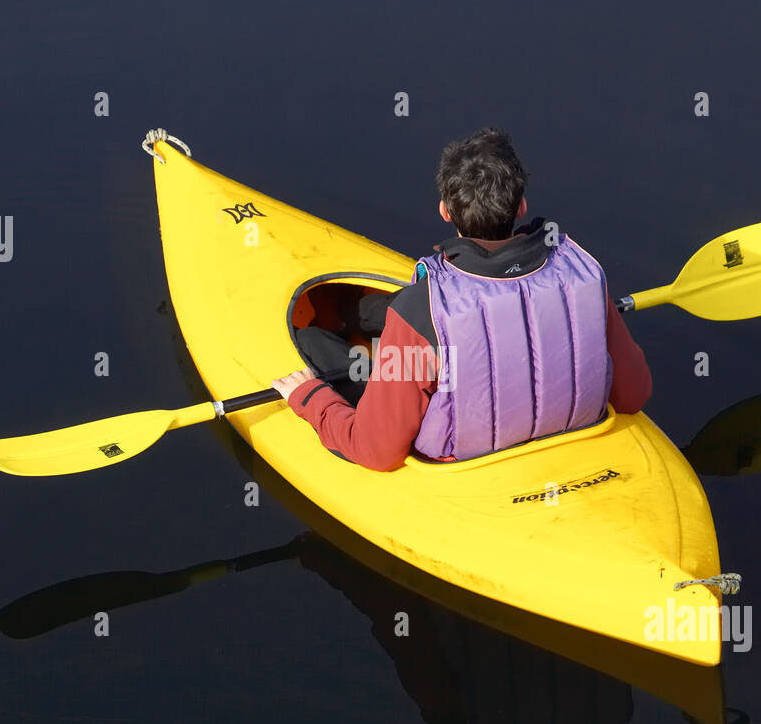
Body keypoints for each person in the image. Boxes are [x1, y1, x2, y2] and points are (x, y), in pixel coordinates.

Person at [272, 127, 652, 471]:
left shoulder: (420, 310)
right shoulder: (583, 276)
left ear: (445, 211)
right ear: (521, 207)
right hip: (572, 428)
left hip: (462, 463)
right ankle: (352, 314)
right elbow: (634, 394)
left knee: (311, 340)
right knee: (393, 318)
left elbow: (376, 450)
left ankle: (333, 325)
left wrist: (311, 399)